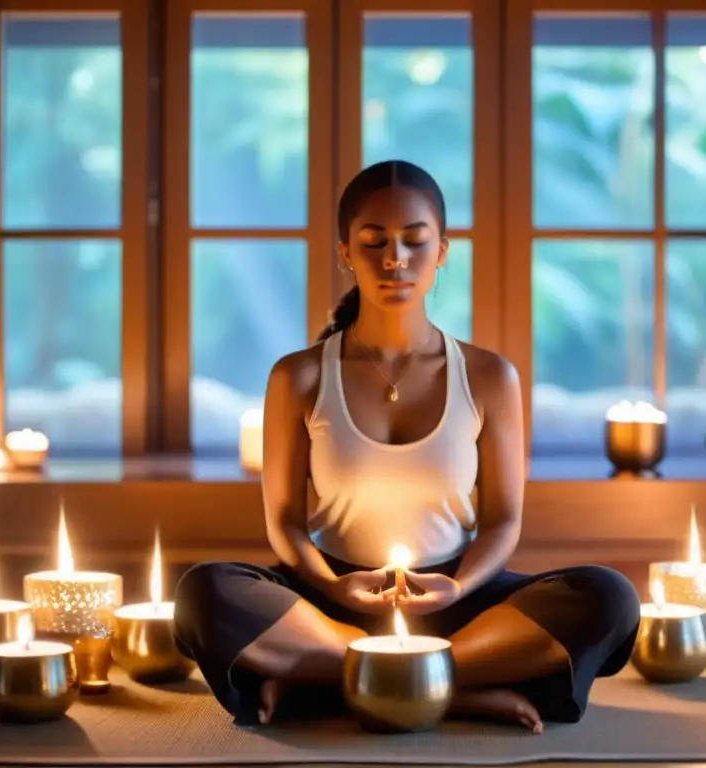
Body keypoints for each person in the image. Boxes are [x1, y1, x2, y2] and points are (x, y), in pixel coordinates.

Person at [172, 160, 641, 733]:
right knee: (205, 592)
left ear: (442, 250)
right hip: (333, 604)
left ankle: (338, 682)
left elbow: (502, 523)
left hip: (456, 603)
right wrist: (330, 583)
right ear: (345, 251)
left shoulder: (491, 376)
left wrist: (459, 585)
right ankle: (456, 690)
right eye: (374, 242)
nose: (396, 259)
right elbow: (286, 525)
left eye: (415, 241)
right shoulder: (297, 377)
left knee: (608, 596)